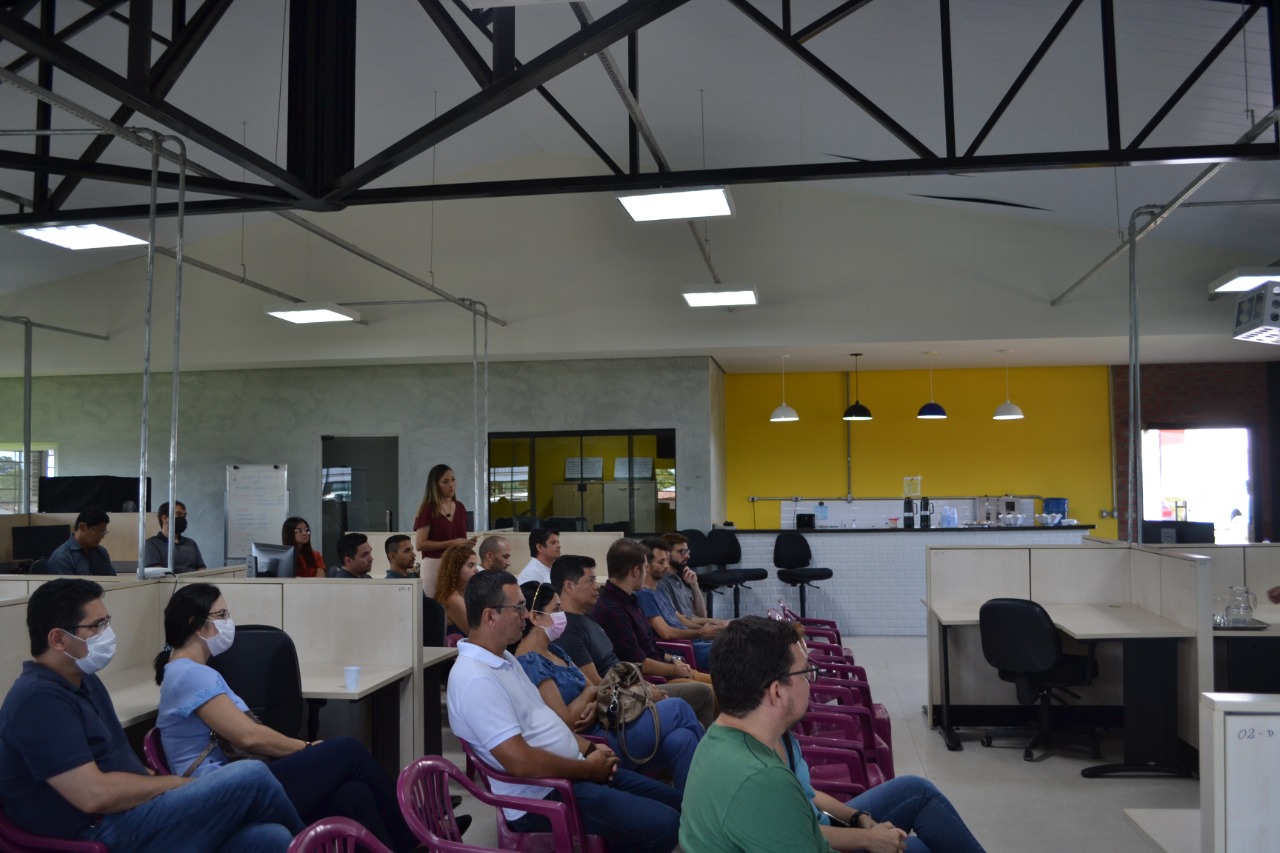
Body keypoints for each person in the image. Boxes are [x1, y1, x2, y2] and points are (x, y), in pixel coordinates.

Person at [0, 578, 303, 852]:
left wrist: (166, 790)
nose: (107, 634)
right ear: (57, 639)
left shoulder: (84, 681)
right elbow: (94, 794)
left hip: (128, 816)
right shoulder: (38, 699)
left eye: (107, 623)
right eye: (97, 626)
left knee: (270, 838)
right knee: (250, 776)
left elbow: (119, 762)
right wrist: (171, 785)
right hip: (96, 833)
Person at [680, 616, 986, 853]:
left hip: (808, 829)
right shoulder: (761, 782)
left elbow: (805, 803)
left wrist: (857, 819)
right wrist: (868, 839)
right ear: (776, 692)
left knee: (916, 792)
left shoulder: (732, 735)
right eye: (805, 673)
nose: (811, 682)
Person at [153, 583, 422, 852]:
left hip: (239, 779)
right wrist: (305, 748)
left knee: (354, 795)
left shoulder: (190, 671)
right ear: (196, 625)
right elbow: (248, 737)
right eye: (221, 615)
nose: (228, 622)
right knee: (349, 750)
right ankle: (415, 838)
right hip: (230, 790)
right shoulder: (189, 674)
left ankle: (403, 846)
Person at [447, 569, 682, 853]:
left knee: (678, 804)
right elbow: (520, 762)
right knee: (666, 825)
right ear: (490, 617)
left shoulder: (504, 658)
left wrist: (589, 749)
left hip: (573, 769)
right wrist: (587, 769)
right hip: (544, 795)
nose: (525, 615)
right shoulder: (476, 679)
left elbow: (546, 721)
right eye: (518, 607)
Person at [514, 581, 704, 788]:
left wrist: (595, 699)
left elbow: (595, 688)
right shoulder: (531, 663)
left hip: (608, 718)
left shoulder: (555, 651)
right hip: (596, 739)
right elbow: (566, 720)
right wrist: (591, 694)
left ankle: (693, 803)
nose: (562, 615)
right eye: (556, 609)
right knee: (679, 708)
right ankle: (713, 791)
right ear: (535, 617)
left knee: (682, 739)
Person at [554, 554, 716, 730]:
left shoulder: (588, 617)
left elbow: (617, 665)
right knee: (704, 694)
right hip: (619, 704)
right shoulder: (569, 629)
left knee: (689, 725)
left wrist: (643, 684)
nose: (597, 586)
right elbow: (597, 685)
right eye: (591, 580)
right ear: (569, 587)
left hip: (634, 686)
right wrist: (643, 692)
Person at [592, 539, 713, 689]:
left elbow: (650, 646)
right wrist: (675, 669)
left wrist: (673, 659)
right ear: (636, 571)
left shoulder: (630, 600)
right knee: (710, 692)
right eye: (644, 568)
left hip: (668, 670)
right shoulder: (612, 610)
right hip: (655, 682)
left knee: (725, 685)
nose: (646, 573)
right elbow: (638, 662)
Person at [636, 538, 715, 670]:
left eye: (666, 561)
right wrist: (701, 632)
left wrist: (710, 628)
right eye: (661, 562)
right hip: (682, 649)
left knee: (737, 641)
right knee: (738, 651)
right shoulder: (644, 595)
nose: (666, 566)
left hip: (694, 642)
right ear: (646, 566)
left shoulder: (659, 590)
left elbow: (682, 620)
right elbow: (666, 633)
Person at [413, 464, 473, 593]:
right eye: (445, 482)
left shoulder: (460, 507)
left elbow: (459, 537)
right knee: (437, 603)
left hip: (457, 563)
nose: (451, 485)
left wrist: (466, 544)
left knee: (459, 602)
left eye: (453, 479)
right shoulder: (428, 509)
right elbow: (420, 544)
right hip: (435, 564)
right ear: (435, 486)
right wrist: (452, 543)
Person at [660, 533, 728, 631]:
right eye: (682, 551)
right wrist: (714, 624)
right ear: (666, 554)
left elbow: (702, 615)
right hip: (689, 633)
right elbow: (677, 620)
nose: (687, 556)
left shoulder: (678, 578)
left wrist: (694, 585)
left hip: (697, 629)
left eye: (688, 551)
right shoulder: (662, 582)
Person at [46, 507, 115, 576]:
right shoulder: (62, 557)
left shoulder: (101, 552)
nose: (102, 536)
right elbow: (68, 583)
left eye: (103, 532)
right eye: (97, 531)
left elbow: (113, 580)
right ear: (82, 527)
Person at [144, 500, 206, 573]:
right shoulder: (151, 544)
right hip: (170, 580)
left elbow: (201, 569)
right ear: (164, 518)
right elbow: (158, 574)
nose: (182, 518)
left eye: (184, 516)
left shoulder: (191, 543)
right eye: (178, 514)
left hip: (194, 580)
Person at [434, 543, 479, 637]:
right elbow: (476, 635)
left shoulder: (466, 593)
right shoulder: (452, 598)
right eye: (470, 565)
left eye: (475, 565)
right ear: (456, 570)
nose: (476, 570)